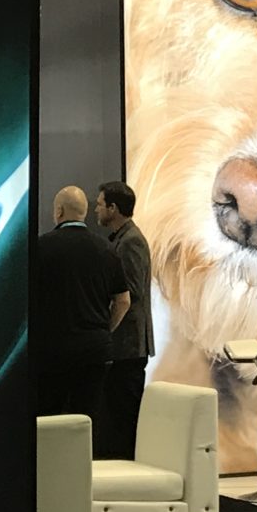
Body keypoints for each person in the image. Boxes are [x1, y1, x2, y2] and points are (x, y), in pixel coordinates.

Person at [32, 185, 129, 424]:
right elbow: (123, 300)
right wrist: (104, 329)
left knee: (48, 420)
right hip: (95, 351)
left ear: (59, 211)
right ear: (84, 212)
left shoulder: (41, 247)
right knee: (85, 420)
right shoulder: (107, 249)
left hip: (52, 350)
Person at [92, 180, 154, 460]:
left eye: (100, 204)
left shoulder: (130, 242)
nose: (96, 209)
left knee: (124, 415)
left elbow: (130, 294)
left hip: (128, 346)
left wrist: (106, 330)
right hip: (125, 347)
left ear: (113, 208)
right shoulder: (122, 239)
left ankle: (126, 465)